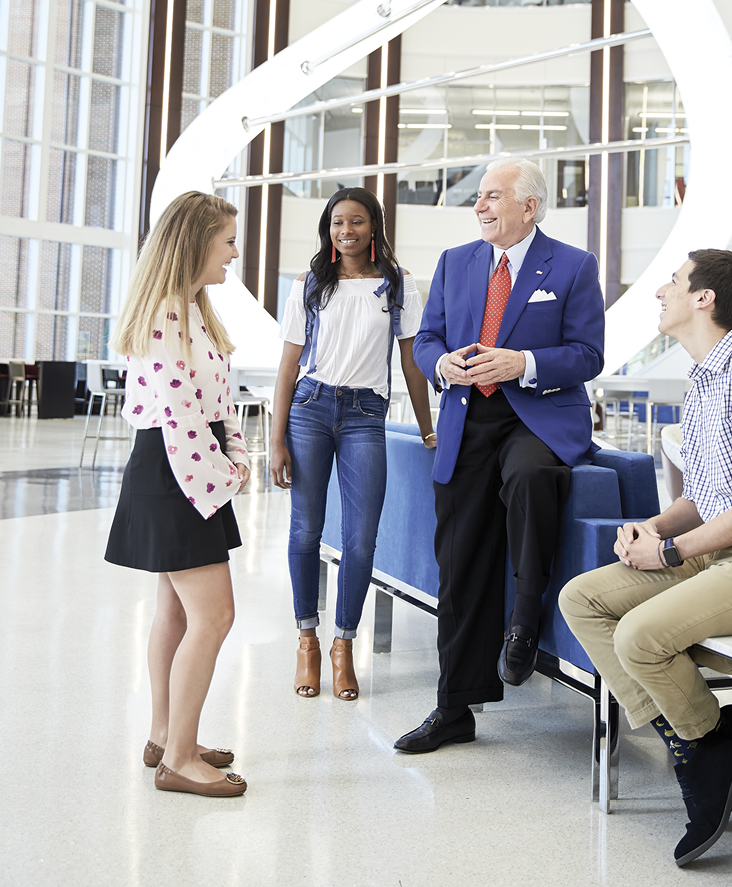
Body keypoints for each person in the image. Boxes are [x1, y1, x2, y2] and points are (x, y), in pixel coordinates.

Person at [559, 249, 732, 866]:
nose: (661, 290)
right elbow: (706, 498)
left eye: (673, 281)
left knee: (638, 634)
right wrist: (650, 528)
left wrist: (670, 550)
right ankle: (703, 739)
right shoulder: (707, 379)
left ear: (703, 298)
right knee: (582, 598)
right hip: (724, 558)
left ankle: (704, 749)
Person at [394, 157, 605, 753]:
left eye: (491, 196)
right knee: (458, 562)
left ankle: (525, 618)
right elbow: (428, 337)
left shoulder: (572, 265)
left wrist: (525, 364)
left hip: (537, 416)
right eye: (479, 198)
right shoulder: (455, 263)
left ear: (528, 206)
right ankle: (454, 708)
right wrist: (440, 363)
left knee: (531, 475)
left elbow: (589, 354)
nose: (480, 206)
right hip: (466, 416)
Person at [105, 191, 251, 798]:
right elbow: (181, 416)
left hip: (188, 465)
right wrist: (224, 475)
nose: (234, 254)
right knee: (215, 615)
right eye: (227, 241)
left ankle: (168, 735)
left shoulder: (189, 310)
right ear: (195, 243)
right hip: (179, 470)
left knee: (174, 611)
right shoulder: (167, 311)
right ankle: (182, 760)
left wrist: (235, 455)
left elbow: (216, 405)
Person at [270, 187, 436, 701]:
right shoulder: (309, 284)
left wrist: (429, 425)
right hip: (310, 409)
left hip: (366, 414)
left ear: (374, 227)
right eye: (338, 222)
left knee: (361, 539)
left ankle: (343, 644)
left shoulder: (398, 285)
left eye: (357, 222)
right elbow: (289, 364)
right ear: (329, 228)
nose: (346, 231)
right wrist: (275, 439)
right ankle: (306, 641)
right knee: (306, 530)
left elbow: (411, 361)